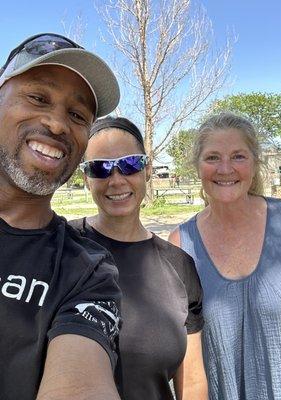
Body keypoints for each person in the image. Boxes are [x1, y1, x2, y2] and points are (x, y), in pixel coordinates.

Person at [0, 33, 122, 400]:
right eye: (38, 97)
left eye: (77, 114)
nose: (56, 125)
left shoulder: (88, 272)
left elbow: (81, 385)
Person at [69, 116, 208, 400]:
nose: (116, 180)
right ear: (86, 178)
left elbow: (192, 384)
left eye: (130, 164)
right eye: (100, 168)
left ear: (147, 170)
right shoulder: (61, 245)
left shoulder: (179, 265)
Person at [169, 112, 281, 400]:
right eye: (213, 157)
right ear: (198, 166)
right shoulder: (181, 243)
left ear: (255, 164)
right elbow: (187, 359)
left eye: (238, 156)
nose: (225, 168)